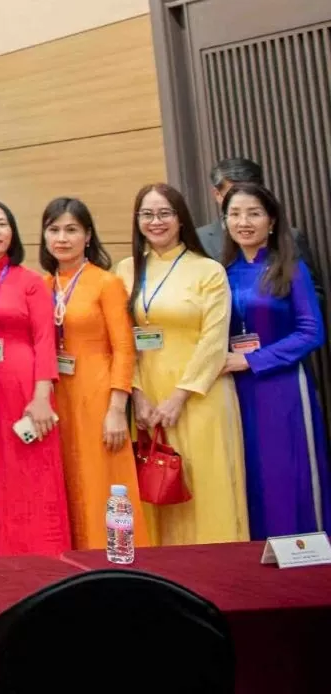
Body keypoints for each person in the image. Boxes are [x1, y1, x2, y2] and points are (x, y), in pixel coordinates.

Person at [116, 183, 245, 545]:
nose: (155, 221)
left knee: (204, 483)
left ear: (180, 218)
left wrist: (179, 396)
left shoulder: (208, 270)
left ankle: (214, 568)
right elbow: (121, 338)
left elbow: (214, 341)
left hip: (199, 393)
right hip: (146, 394)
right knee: (155, 485)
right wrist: (137, 393)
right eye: (147, 214)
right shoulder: (125, 270)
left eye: (164, 213)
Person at [218, 183, 329, 539]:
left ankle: (305, 552)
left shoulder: (290, 268)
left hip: (282, 386)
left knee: (286, 470)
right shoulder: (220, 273)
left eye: (254, 213)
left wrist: (252, 360)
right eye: (235, 214)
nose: (243, 222)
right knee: (248, 474)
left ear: (272, 220)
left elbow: (311, 332)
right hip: (234, 389)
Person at [0, 199, 69, 557]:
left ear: (13, 232)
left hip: (23, 388)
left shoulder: (30, 281)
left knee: (32, 474)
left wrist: (42, 397)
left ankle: (43, 557)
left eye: (2, 224)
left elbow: (44, 341)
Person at [40, 197, 146, 551]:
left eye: (71, 230)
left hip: (98, 395)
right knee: (67, 482)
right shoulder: (42, 285)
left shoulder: (106, 283)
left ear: (88, 236)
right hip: (57, 398)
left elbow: (124, 348)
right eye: (54, 230)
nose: (62, 238)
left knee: (101, 481)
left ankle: (113, 557)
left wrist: (117, 409)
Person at [197, 158, 322, 304]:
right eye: (233, 194)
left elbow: (314, 295)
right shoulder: (199, 239)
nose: (243, 223)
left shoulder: (291, 237)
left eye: (250, 192)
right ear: (217, 194)